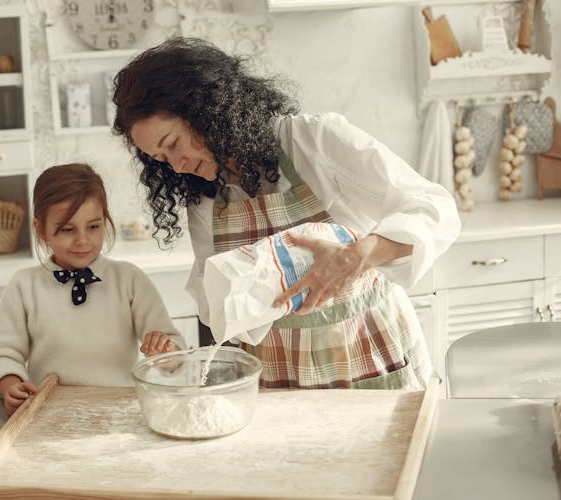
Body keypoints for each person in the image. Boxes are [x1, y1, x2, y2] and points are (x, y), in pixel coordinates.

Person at [112, 37, 461, 390]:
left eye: (173, 144)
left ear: (206, 110)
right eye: (161, 159)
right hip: (278, 377)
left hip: (369, 355)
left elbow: (435, 208)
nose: (177, 165)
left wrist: (362, 254)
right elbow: (213, 299)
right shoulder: (204, 199)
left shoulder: (312, 141)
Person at [0, 163, 185, 415]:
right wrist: (9, 385)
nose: (82, 240)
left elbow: (175, 350)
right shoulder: (24, 286)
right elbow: (2, 356)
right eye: (68, 229)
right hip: (49, 415)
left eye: (93, 226)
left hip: (120, 412)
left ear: (105, 220)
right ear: (41, 229)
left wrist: (167, 353)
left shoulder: (130, 280)